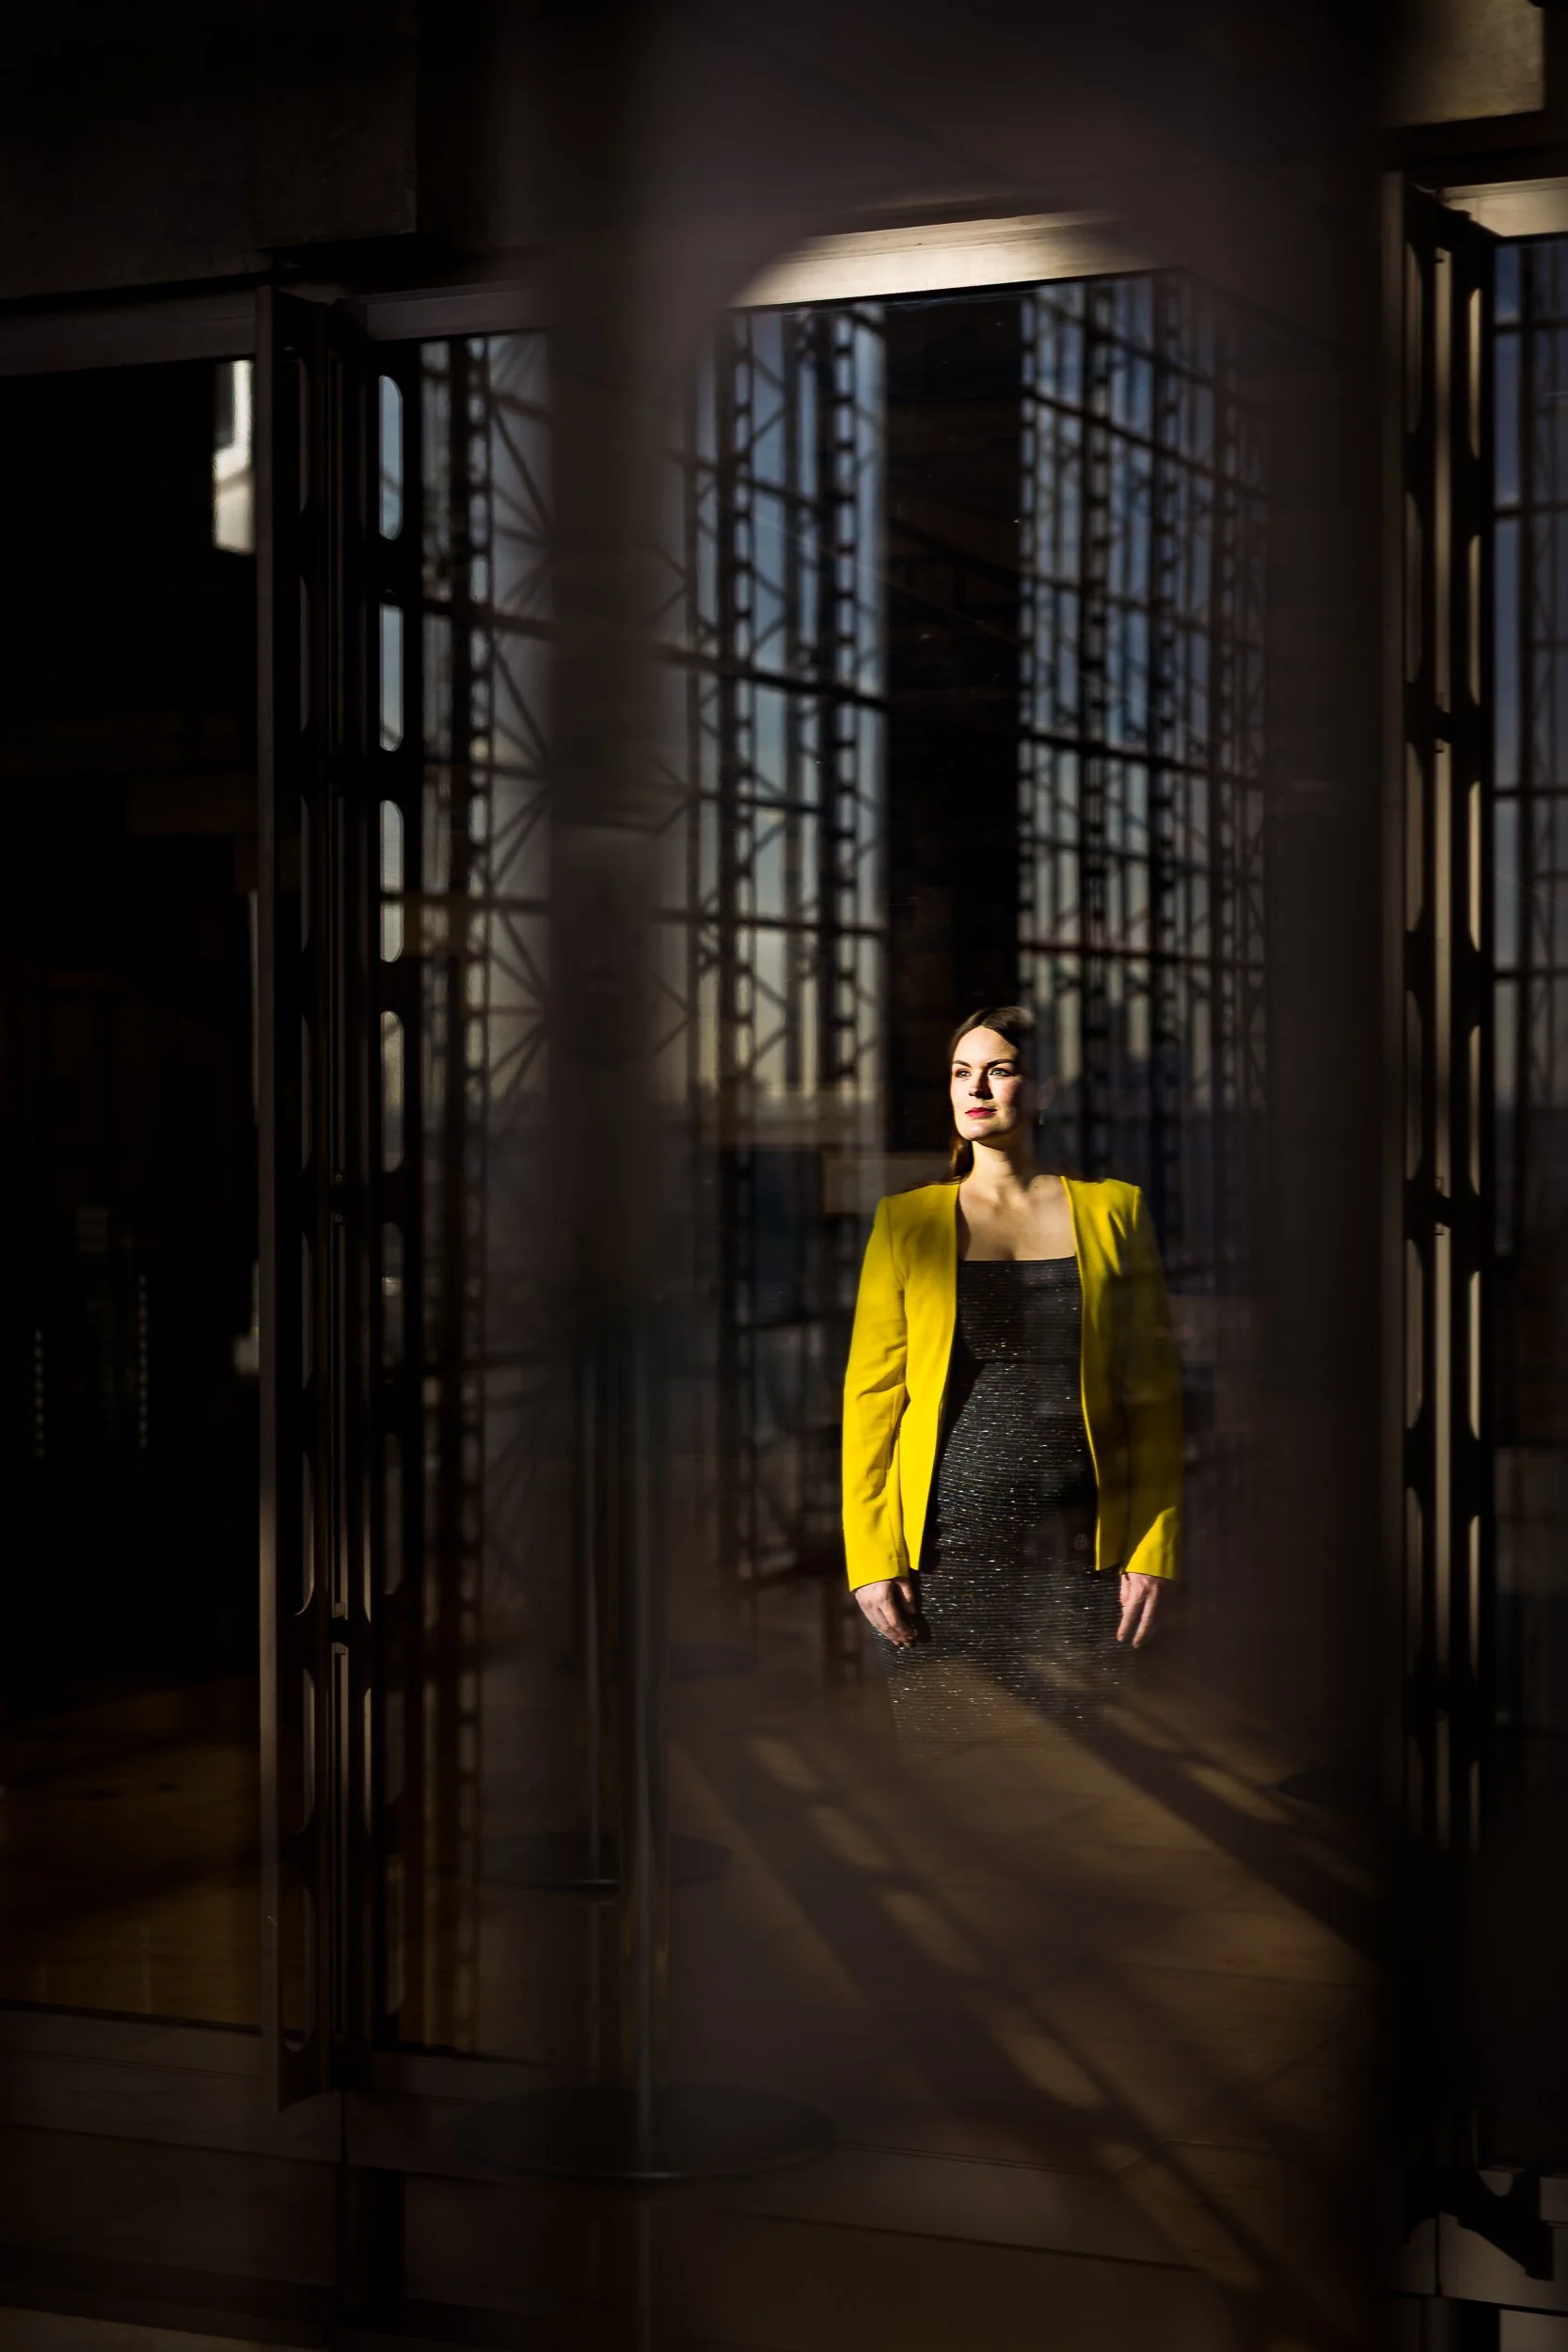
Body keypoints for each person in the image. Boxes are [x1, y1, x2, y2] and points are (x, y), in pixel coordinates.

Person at [842, 1006, 1182, 1739]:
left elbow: (1153, 1397)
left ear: (1045, 1087)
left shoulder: (1114, 1212)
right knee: (952, 1785)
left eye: (1000, 1070)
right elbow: (871, 1398)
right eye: (962, 1073)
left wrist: (1154, 1547)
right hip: (941, 1549)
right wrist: (871, 1558)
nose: (978, 1090)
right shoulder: (905, 1222)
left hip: (1083, 1547)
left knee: (1081, 1775)